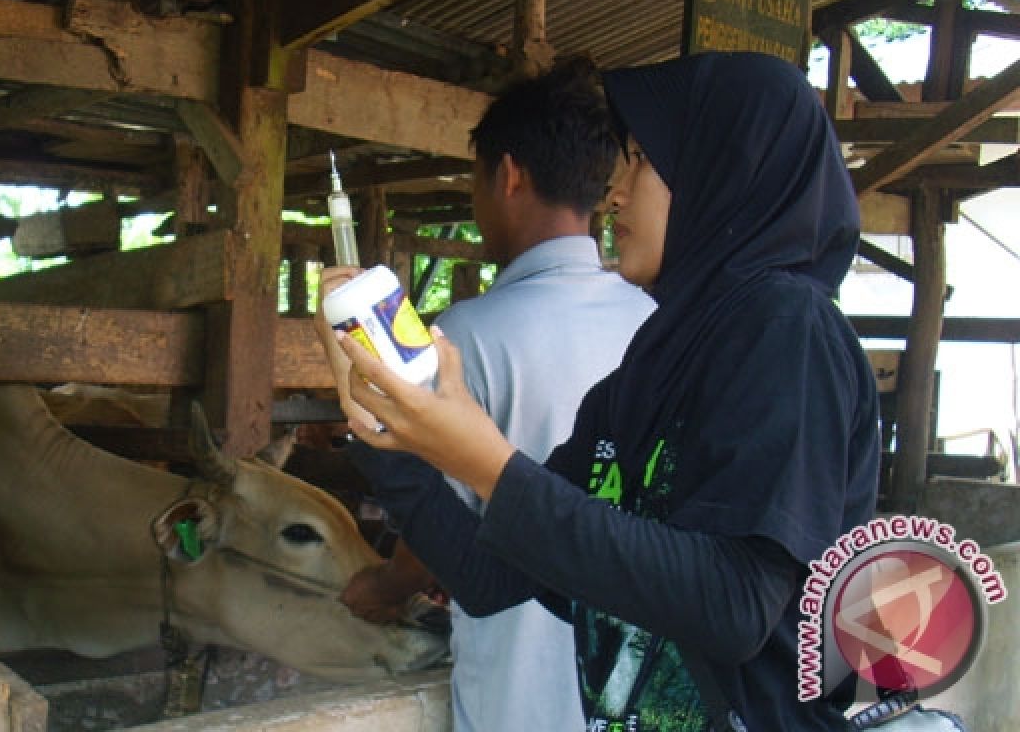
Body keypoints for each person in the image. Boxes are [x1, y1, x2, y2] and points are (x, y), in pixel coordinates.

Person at [323, 52, 882, 730]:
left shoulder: (786, 329)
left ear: (722, 170)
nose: (616, 193)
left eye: (645, 159)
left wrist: (485, 463)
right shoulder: (651, 366)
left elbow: (736, 605)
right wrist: (387, 427)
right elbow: (490, 578)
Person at [316, 60, 655, 731]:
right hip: (635, 686)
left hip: (518, 691)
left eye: (474, 183)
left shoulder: (461, 336)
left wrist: (389, 585)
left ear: (507, 175)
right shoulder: (654, 322)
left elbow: (447, 515)